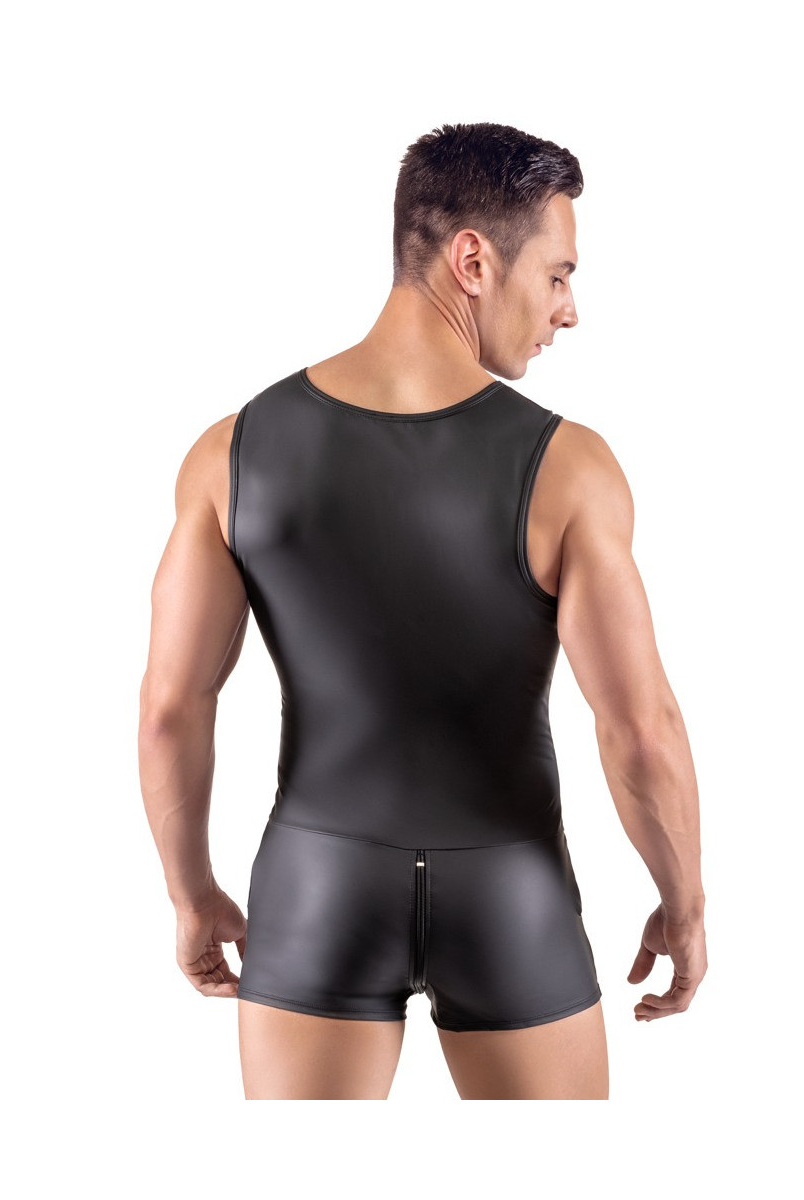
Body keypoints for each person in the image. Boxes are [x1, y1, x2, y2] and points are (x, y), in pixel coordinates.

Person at [138, 121, 707, 1100]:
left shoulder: (231, 453)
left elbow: (169, 709)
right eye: (558, 275)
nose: (568, 311)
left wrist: (191, 896)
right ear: (474, 261)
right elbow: (641, 729)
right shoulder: (569, 468)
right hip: (513, 895)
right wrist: (684, 905)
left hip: (315, 887)